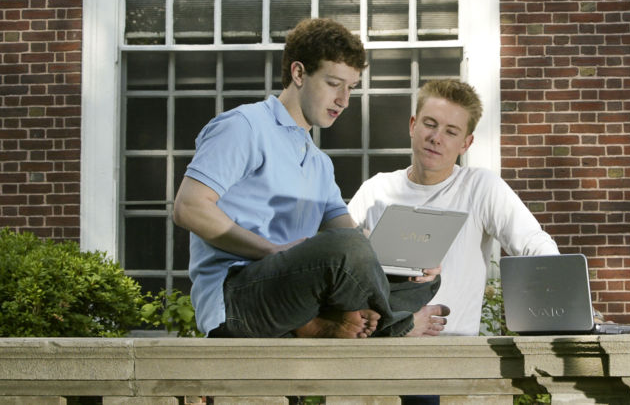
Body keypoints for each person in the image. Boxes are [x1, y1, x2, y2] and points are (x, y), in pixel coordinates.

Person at [173, 18, 449, 339]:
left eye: (351, 88)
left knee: (423, 275)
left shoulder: (319, 163)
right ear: (299, 73)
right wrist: (272, 251)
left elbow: (355, 242)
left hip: (297, 296)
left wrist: (409, 264)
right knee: (342, 248)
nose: (344, 100)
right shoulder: (244, 126)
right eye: (334, 84)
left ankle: (333, 322)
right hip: (238, 295)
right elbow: (189, 208)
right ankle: (397, 325)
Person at [348, 79, 561, 336]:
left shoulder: (480, 188)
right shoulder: (375, 190)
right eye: (430, 124)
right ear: (413, 126)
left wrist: (562, 298)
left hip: (454, 354)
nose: (436, 138)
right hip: (377, 350)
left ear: (466, 144)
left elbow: (534, 244)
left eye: (451, 131)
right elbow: (340, 265)